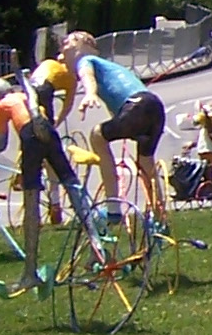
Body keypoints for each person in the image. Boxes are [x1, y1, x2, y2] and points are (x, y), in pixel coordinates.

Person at [0, 71, 94, 296]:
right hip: (48, 131)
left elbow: (0, 145)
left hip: (30, 137)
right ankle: (96, 242)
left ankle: (30, 272)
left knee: (31, 199)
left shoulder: (2, 106)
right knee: (69, 181)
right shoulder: (24, 95)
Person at [61, 32, 168, 215]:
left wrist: (90, 93)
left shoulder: (86, 60)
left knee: (97, 135)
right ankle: (160, 216)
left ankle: (113, 208)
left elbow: (87, 76)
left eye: (67, 43)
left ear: (84, 45)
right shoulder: (110, 67)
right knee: (145, 163)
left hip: (136, 105)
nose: (62, 49)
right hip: (154, 106)